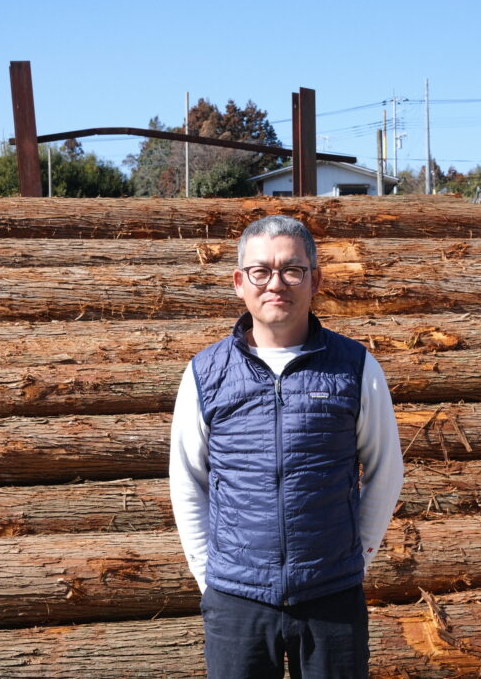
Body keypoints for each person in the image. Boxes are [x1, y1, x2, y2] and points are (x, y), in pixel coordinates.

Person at [169, 215, 404, 678]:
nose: (276, 283)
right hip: (237, 601)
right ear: (240, 282)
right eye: (261, 271)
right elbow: (187, 480)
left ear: (314, 279)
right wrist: (208, 575)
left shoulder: (354, 367)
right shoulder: (205, 373)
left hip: (331, 599)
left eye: (291, 270)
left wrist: (356, 557)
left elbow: (385, 469)